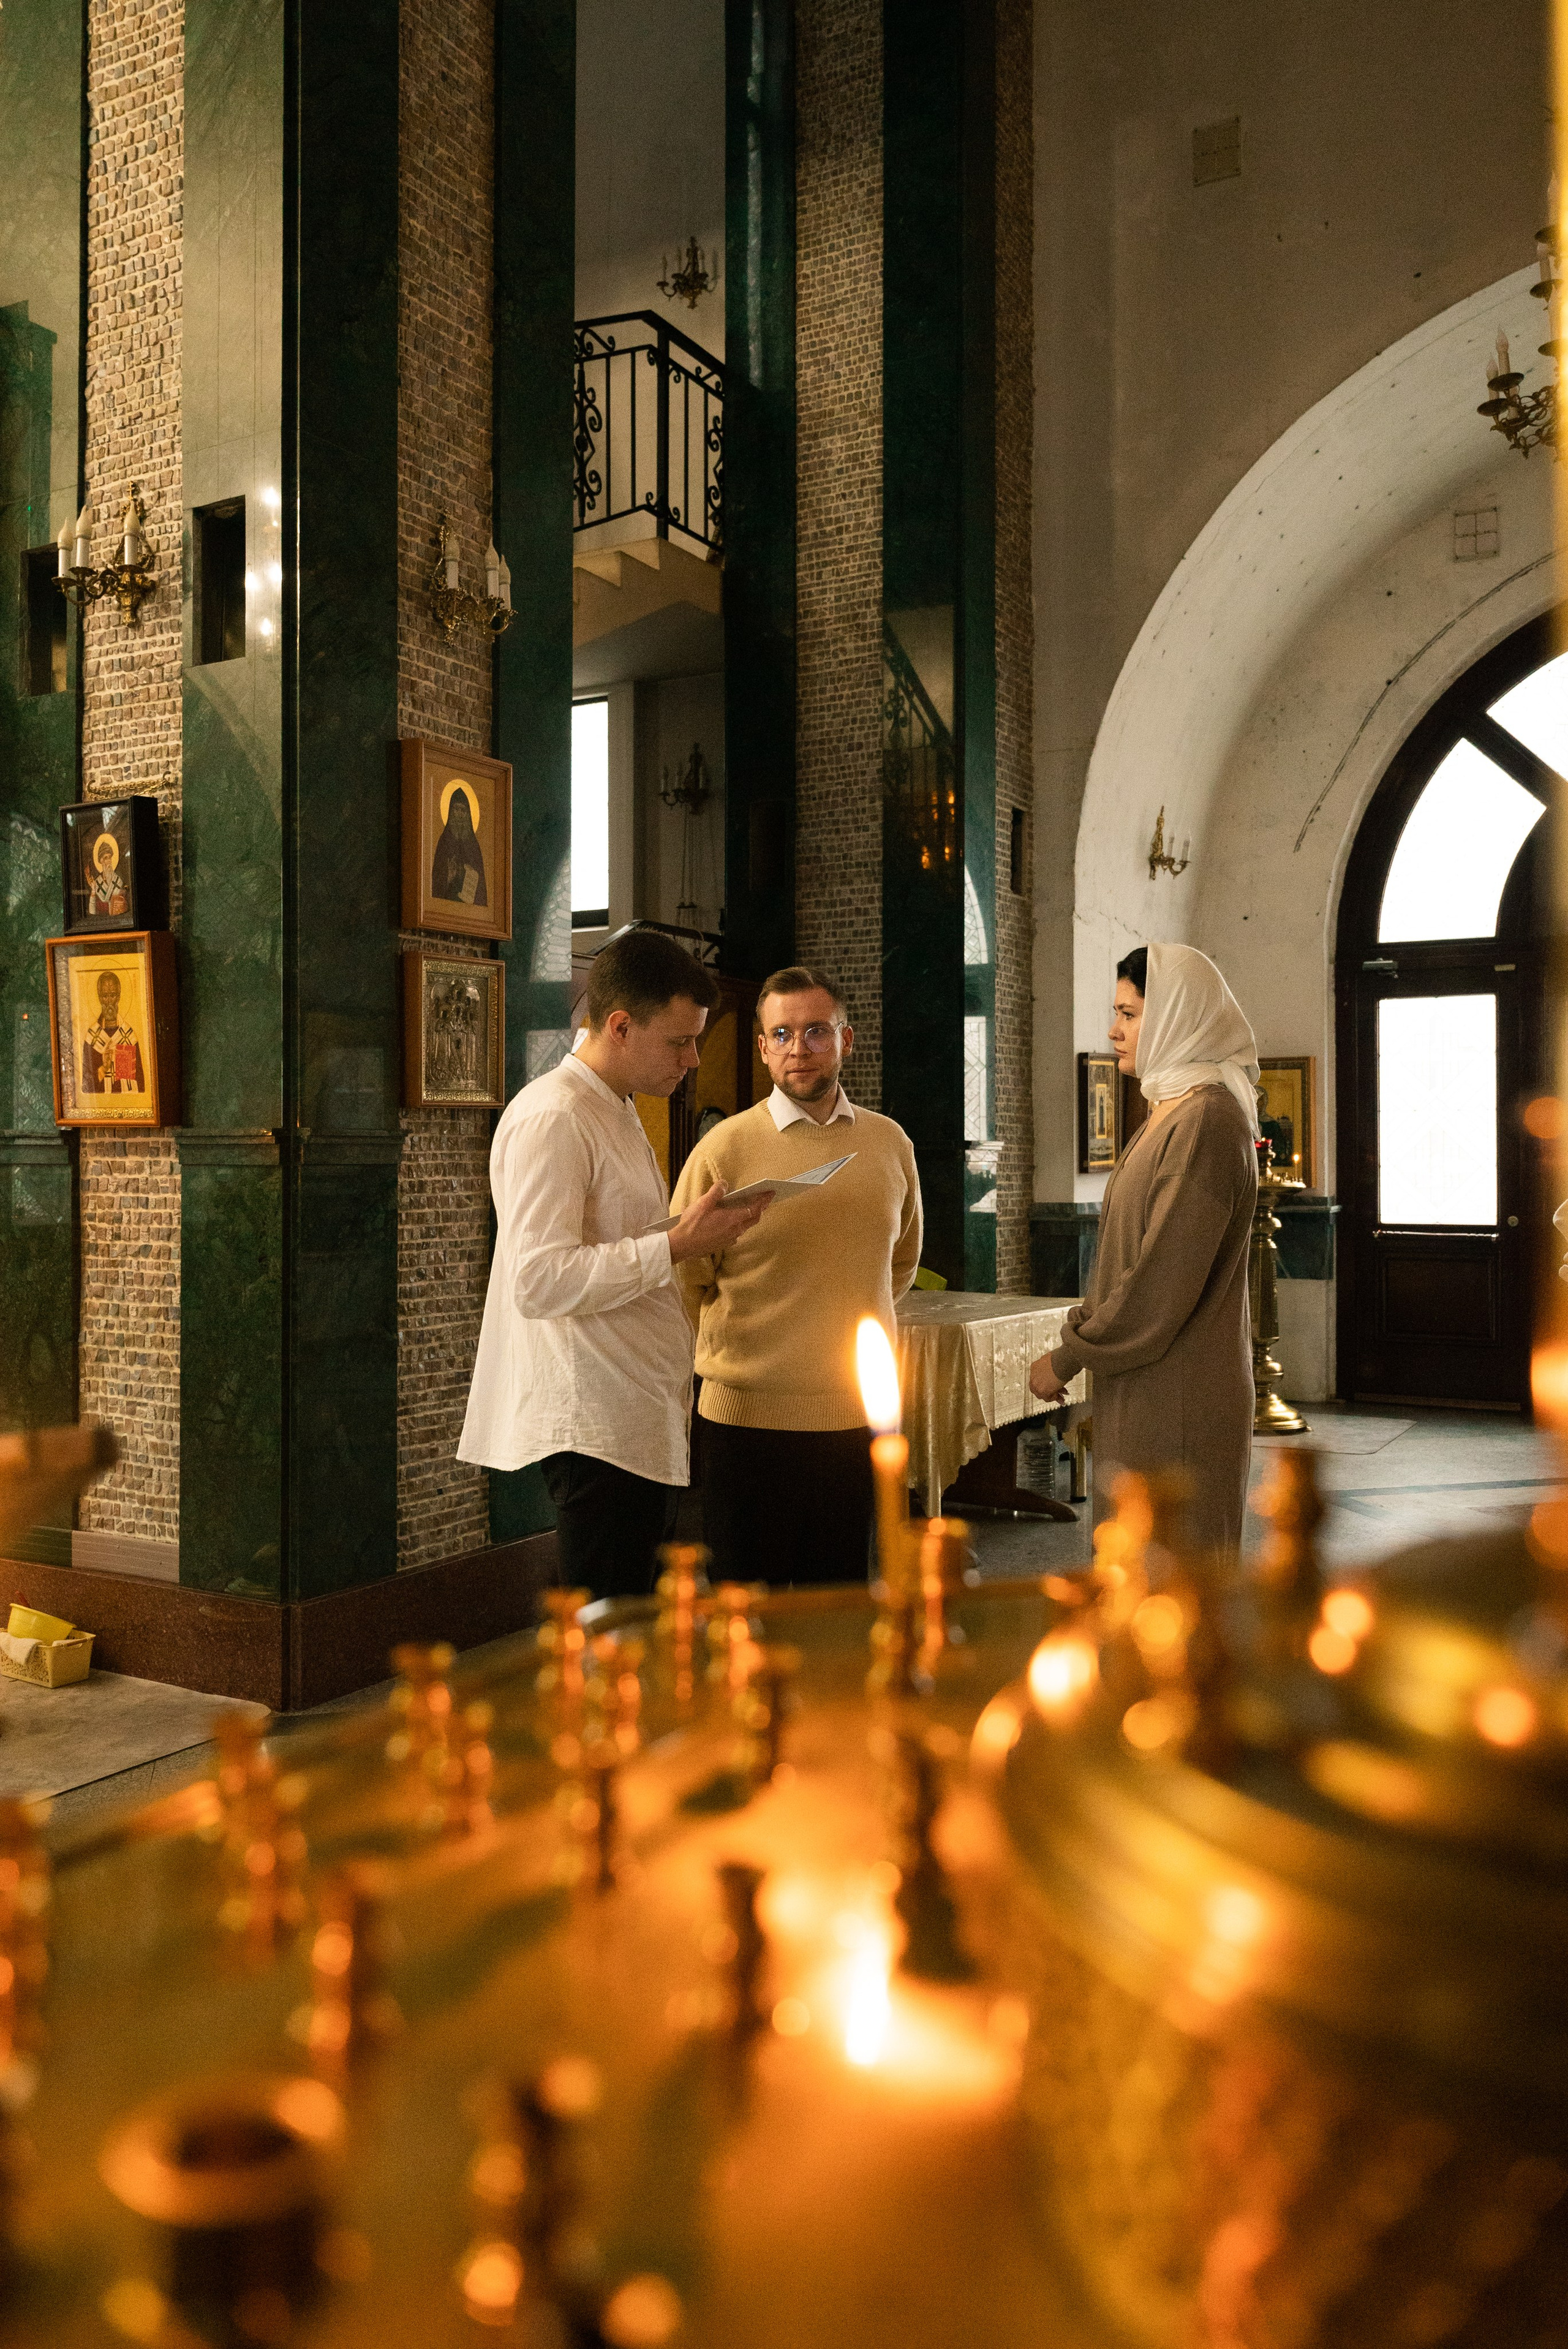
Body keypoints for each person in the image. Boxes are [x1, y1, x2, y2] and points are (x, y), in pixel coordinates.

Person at [458, 928, 772, 1596]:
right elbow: (539, 1281)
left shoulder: (616, 1106)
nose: (692, 1059)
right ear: (622, 1026)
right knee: (605, 1632)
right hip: (592, 1421)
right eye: (680, 1041)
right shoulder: (555, 1116)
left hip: (632, 1409)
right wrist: (676, 1244)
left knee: (630, 1626)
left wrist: (693, 1233)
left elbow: (616, 1241)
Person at [669, 965, 923, 1585]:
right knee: (744, 1613)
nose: (798, 1050)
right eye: (780, 1035)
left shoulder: (889, 1145)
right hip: (744, 1421)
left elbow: (900, 1264)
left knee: (834, 1610)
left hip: (850, 1418)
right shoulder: (723, 1150)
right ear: (761, 1047)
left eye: (815, 1032)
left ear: (846, 1040)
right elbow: (686, 1277)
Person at [1028, 942, 1259, 1553]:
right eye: (1117, 1012)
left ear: (1178, 1017)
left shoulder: (1207, 1121)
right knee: (1135, 1575)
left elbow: (1158, 1282)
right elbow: (1127, 1264)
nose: (1113, 1030)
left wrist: (1068, 1356)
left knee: (1172, 1583)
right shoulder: (1169, 1110)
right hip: (1145, 1379)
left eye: (1129, 1015)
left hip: (1180, 1390)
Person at [80, 970, 145, 1095]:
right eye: (105, 996)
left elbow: (137, 1080)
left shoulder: (127, 1036)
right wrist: (103, 1069)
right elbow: (86, 1084)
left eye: (113, 995)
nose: (109, 1001)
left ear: (119, 997)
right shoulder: (92, 1037)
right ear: (100, 998)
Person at [431, 782, 487, 907]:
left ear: (468, 814)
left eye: (464, 810)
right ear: (451, 811)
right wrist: (449, 876)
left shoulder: (473, 844)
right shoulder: (444, 841)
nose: (460, 814)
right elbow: (436, 880)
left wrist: (471, 874)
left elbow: (481, 885)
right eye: (456, 809)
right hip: (447, 901)